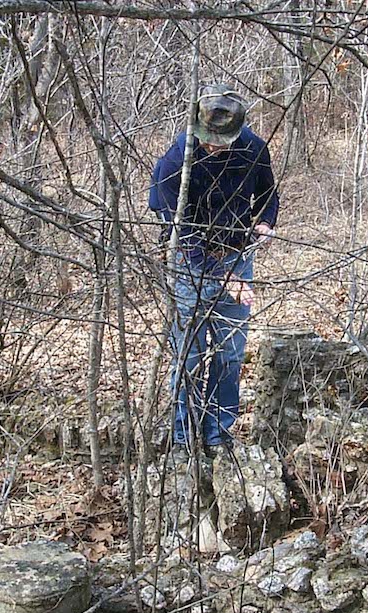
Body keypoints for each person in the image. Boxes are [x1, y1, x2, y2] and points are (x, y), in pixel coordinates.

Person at [150, 83, 279, 457]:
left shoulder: (253, 148)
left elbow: (268, 194)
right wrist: (226, 279)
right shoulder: (177, 160)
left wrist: (265, 222)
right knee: (189, 355)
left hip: (237, 255)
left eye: (221, 140)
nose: (213, 146)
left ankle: (218, 436)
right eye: (208, 139)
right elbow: (181, 233)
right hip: (190, 264)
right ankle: (183, 437)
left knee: (230, 353)